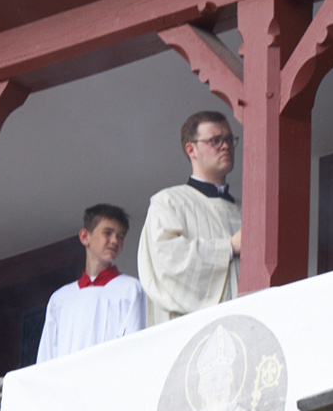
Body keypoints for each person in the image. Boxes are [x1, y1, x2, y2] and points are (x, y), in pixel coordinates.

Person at [139, 111, 243, 325]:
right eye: (215, 140)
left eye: (229, 140)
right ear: (191, 149)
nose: (225, 146)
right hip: (191, 329)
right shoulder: (168, 202)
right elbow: (168, 260)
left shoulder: (245, 210)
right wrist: (229, 248)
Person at [37, 204, 146, 362]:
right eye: (107, 233)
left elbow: (135, 346)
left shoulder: (130, 289)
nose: (114, 241)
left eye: (120, 236)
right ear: (85, 237)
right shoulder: (60, 298)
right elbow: (46, 355)